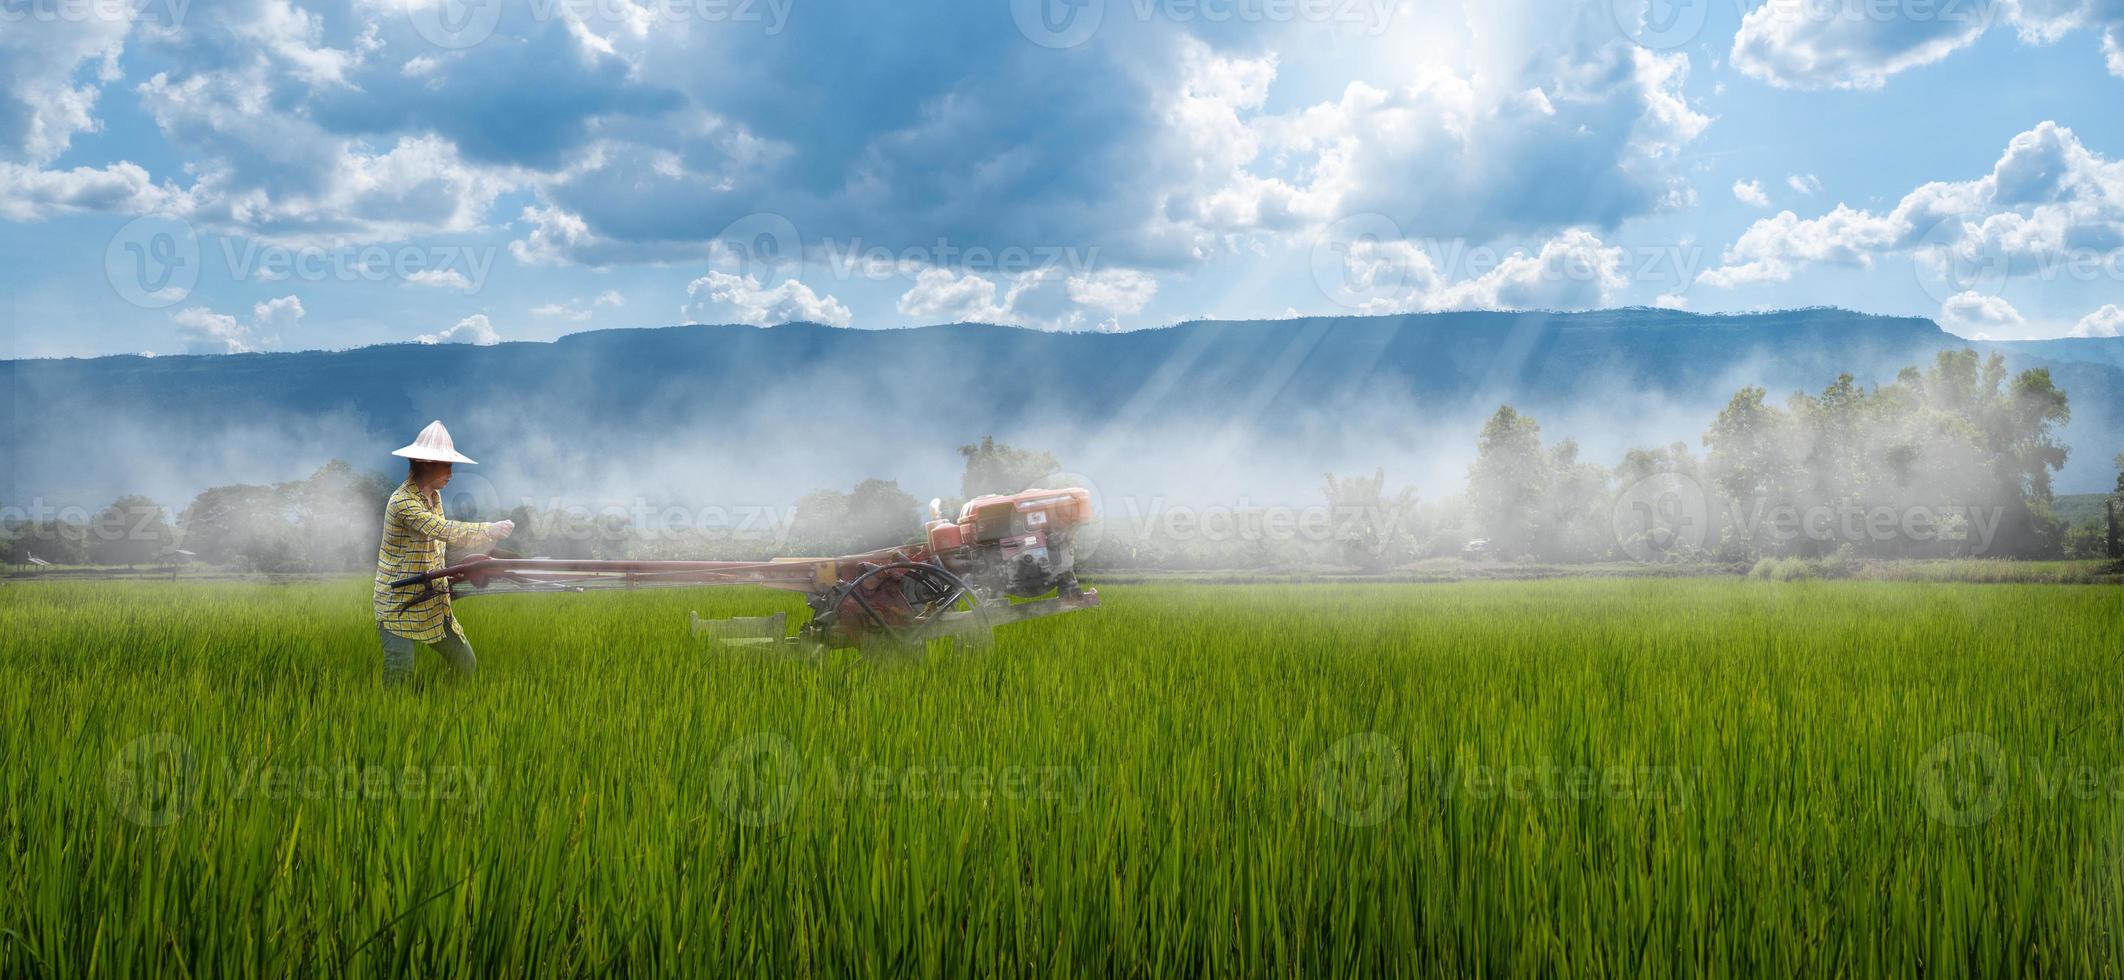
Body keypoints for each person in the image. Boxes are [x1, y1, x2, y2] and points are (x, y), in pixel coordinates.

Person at [372, 420, 514, 687]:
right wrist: (489, 530)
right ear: (427, 462)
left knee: (465, 664)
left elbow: (438, 547)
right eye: (447, 465)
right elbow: (441, 530)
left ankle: (442, 708)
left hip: (432, 599)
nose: (451, 472)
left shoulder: (434, 497)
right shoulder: (403, 502)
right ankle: (396, 720)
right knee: (399, 672)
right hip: (399, 602)